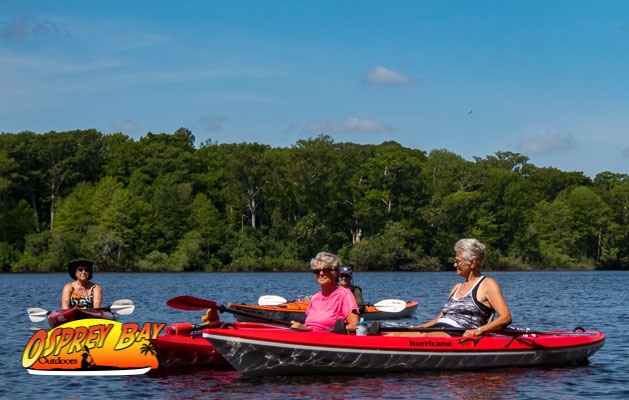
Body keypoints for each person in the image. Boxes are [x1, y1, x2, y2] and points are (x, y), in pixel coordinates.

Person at [389, 238, 511, 337]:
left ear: (472, 263)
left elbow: (505, 318)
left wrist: (478, 330)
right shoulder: (456, 287)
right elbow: (440, 318)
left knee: (425, 337)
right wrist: (420, 327)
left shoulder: (488, 284)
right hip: (440, 328)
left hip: (459, 332)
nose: (454, 265)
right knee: (394, 335)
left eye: (458, 261)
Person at [291, 252, 360, 331]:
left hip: (328, 337)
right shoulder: (315, 298)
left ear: (336, 272)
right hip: (310, 336)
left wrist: (331, 330)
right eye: (317, 271)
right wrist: (301, 326)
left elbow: (354, 325)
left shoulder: (344, 295)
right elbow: (310, 325)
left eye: (326, 270)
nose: (321, 273)